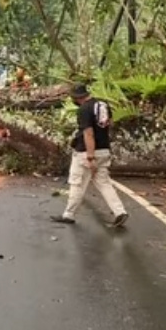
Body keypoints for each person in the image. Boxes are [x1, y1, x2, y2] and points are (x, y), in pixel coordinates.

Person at [51, 83, 128, 227]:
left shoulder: (84, 110)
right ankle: (120, 211)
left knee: (77, 182)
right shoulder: (103, 104)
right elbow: (110, 123)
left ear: (76, 97)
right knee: (104, 183)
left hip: (86, 152)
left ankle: (69, 214)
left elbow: (88, 133)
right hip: (104, 150)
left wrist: (90, 157)